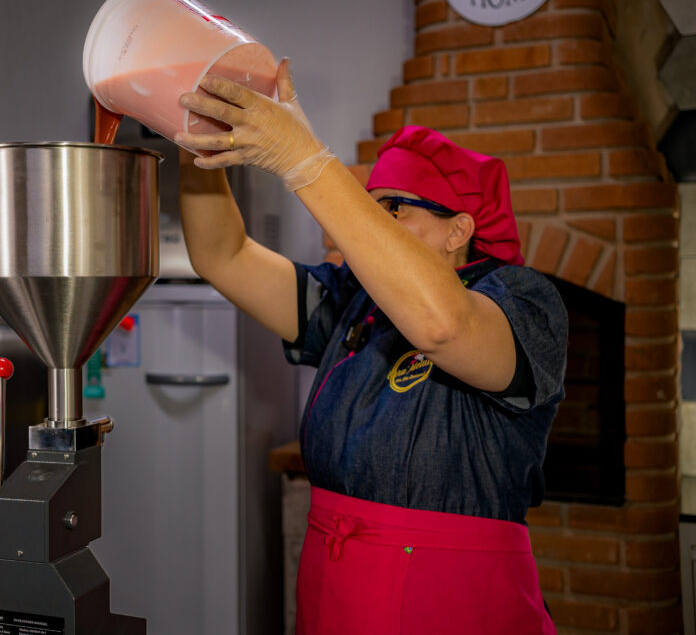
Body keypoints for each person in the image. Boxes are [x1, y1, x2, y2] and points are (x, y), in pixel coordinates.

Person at [173, 59, 566, 634]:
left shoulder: (523, 301)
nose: (370, 227)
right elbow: (222, 256)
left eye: (394, 211)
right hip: (334, 581)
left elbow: (443, 327)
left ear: (459, 230)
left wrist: (302, 159)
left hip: (451, 596)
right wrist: (198, 145)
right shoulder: (355, 302)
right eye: (371, 207)